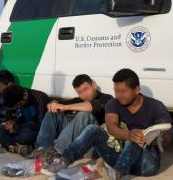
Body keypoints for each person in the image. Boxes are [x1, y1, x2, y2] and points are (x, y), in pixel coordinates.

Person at [44, 68, 173, 180]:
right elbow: (111, 127)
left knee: (135, 136)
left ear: (136, 89)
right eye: (116, 91)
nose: (118, 95)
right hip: (117, 157)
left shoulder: (156, 106)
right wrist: (129, 135)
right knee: (93, 129)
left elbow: (167, 133)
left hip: (146, 164)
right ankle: (63, 161)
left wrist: (159, 139)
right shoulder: (114, 103)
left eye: (123, 91)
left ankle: (116, 174)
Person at [30, 74, 113, 162]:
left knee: (84, 115)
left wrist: (65, 107)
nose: (84, 95)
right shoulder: (80, 100)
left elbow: (90, 106)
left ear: (93, 85)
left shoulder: (107, 99)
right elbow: (56, 103)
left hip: (90, 144)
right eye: (80, 92)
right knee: (53, 112)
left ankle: (56, 152)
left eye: (85, 89)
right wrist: (53, 104)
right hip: (74, 139)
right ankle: (41, 149)